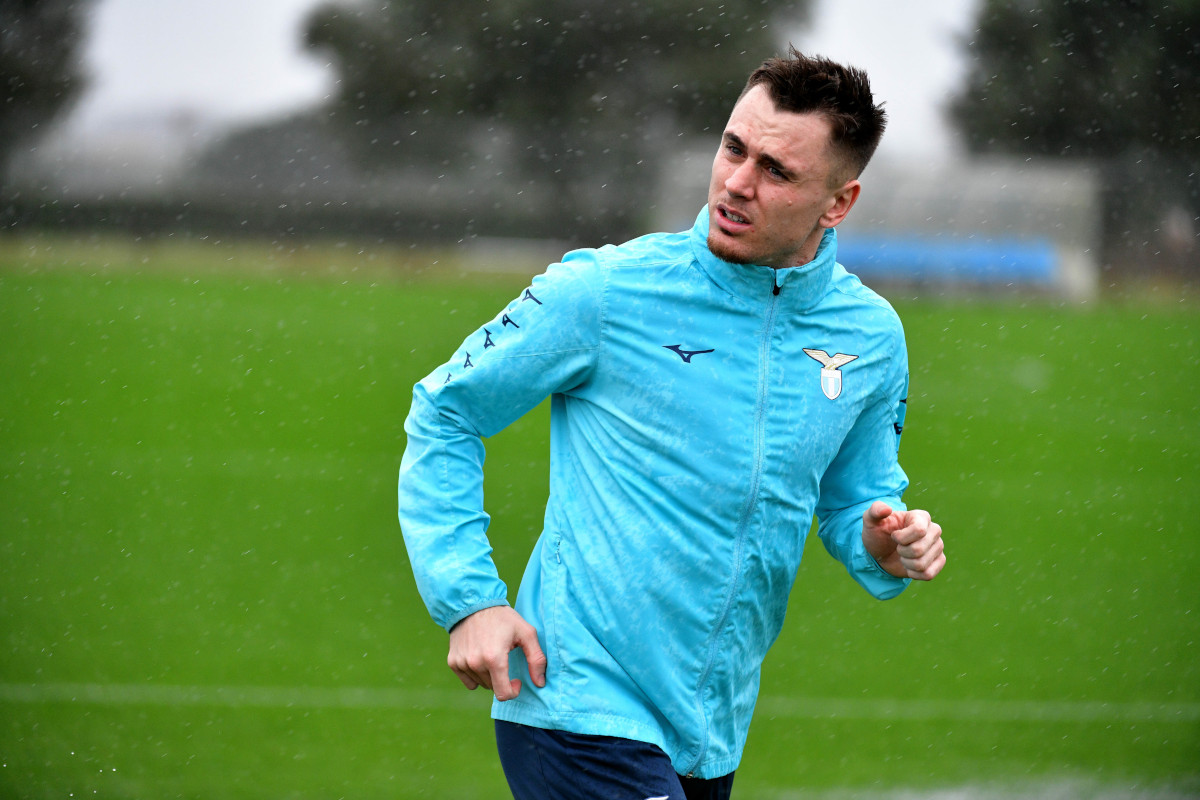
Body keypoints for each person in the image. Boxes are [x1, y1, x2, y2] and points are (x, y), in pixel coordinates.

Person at [398, 47, 946, 800]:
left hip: (708, 731)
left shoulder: (871, 337)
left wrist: (884, 542)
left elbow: (858, 499)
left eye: (776, 171)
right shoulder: (603, 291)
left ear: (837, 203)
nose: (737, 183)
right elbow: (446, 409)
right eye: (733, 148)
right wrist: (470, 600)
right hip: (577, 703)